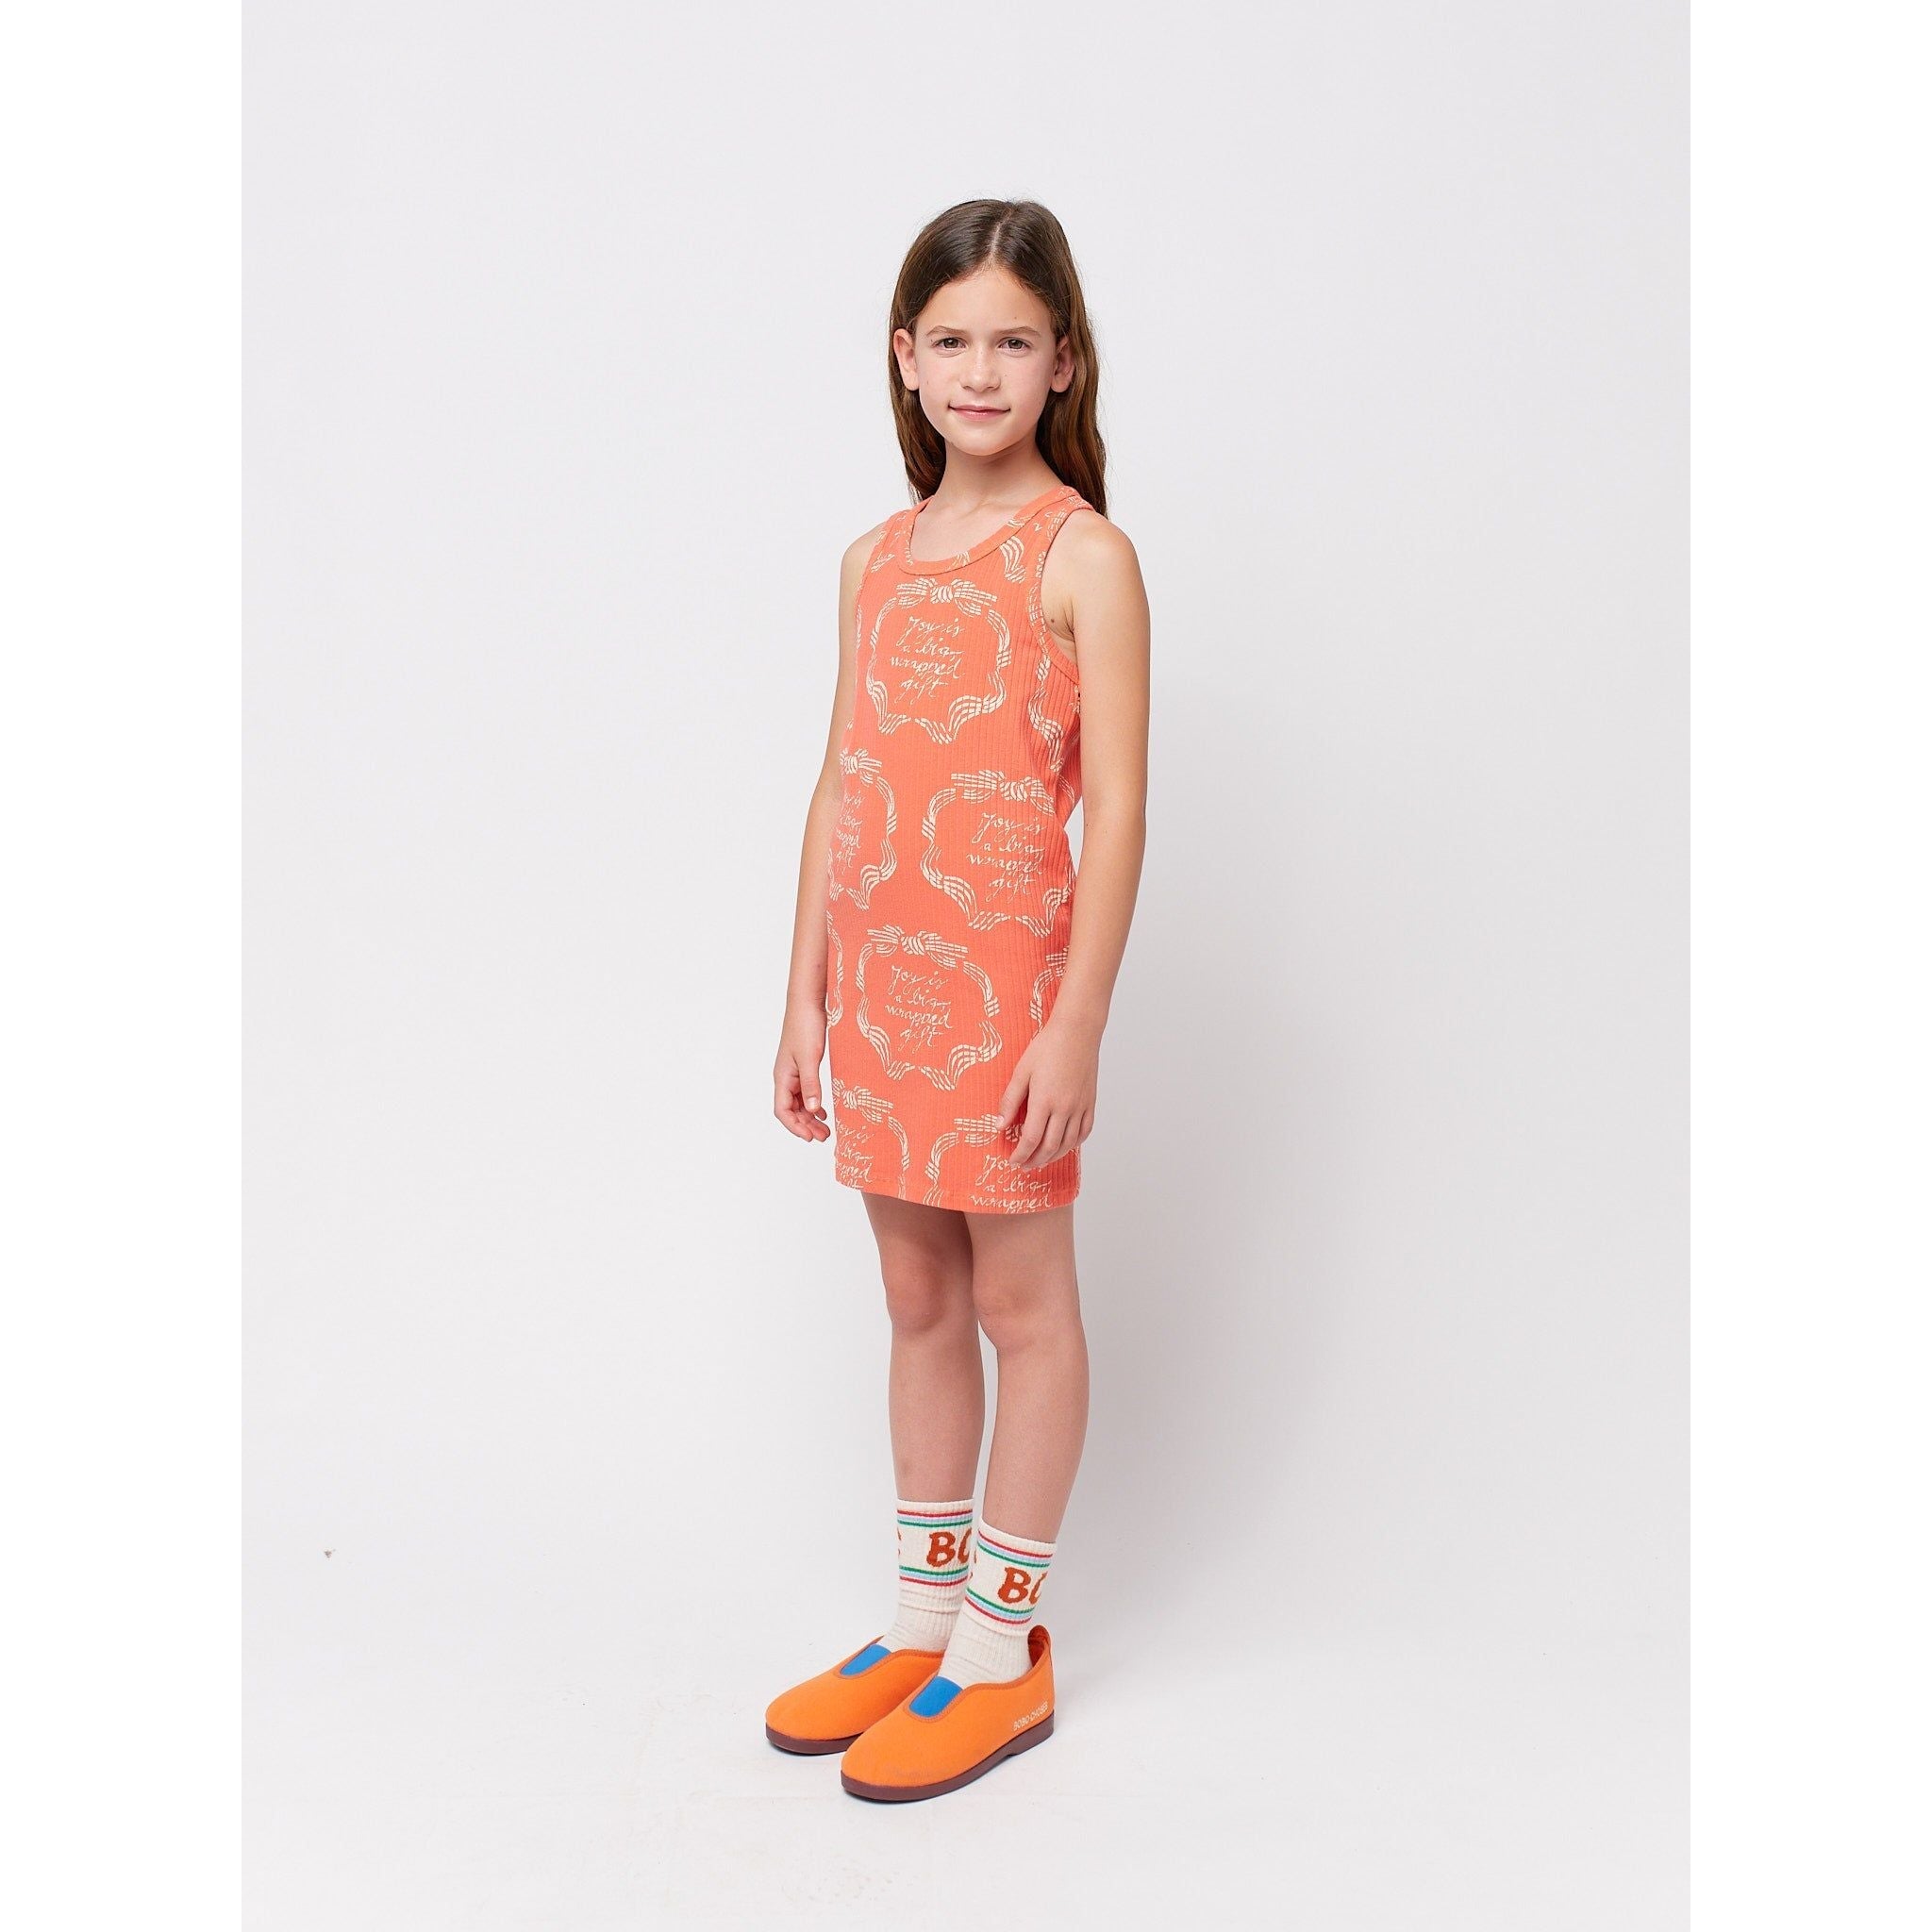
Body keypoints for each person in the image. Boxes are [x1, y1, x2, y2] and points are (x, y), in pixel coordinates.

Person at [766, 198, 1150, 1803]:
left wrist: (1075, 1024)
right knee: (918, 1298)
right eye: (952, 340)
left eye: (1014, 340)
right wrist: (806, 994)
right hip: (883, 1000)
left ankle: (1001, 1648)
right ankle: (922, 1621)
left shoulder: (1084, 558)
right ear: (904, 358)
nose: (980, 370)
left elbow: (1117, 813)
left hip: (1005, 1006)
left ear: (1062, 361)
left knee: (1020, 1310)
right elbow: (841, 782)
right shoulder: (871, 560)